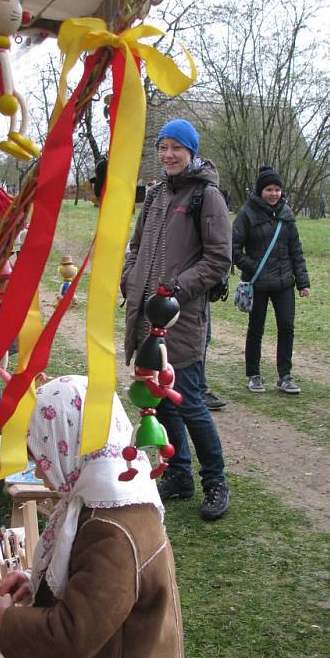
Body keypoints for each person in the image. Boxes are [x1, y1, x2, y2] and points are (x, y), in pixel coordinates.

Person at [0, 375, 191, 658]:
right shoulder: (107, 495)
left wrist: (5, 621)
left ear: (69, 444)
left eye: (38, 456)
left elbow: (77, 632)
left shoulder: (112, 529)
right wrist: (34, 580)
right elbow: (97, 589)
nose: (38, 471)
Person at [121, 118, 231, 520]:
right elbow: (136, 247)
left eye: (177, 148)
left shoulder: (207, 196)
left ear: (191, 151)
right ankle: (180, 475)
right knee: (158, 397)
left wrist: (175, 292)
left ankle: (215, 481)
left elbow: (219, 259)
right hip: (144, 316)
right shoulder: (155, 196)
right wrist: (129, 277)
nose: (169, 155)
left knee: (189, 401)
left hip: (180, 318)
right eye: (163, 147)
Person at [232, 165, 310, 394]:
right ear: (260, 191)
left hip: (284, 282)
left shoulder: (286, 215)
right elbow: (233, 248)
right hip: (257, 283)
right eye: (269, 189)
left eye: (277, 189)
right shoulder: (246, 214)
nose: (274, 193)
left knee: (287, 327)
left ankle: (285, 376)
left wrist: (303, 282)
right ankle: (253, 374)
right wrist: (251, 267)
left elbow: (296, 250)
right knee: (256, 329)